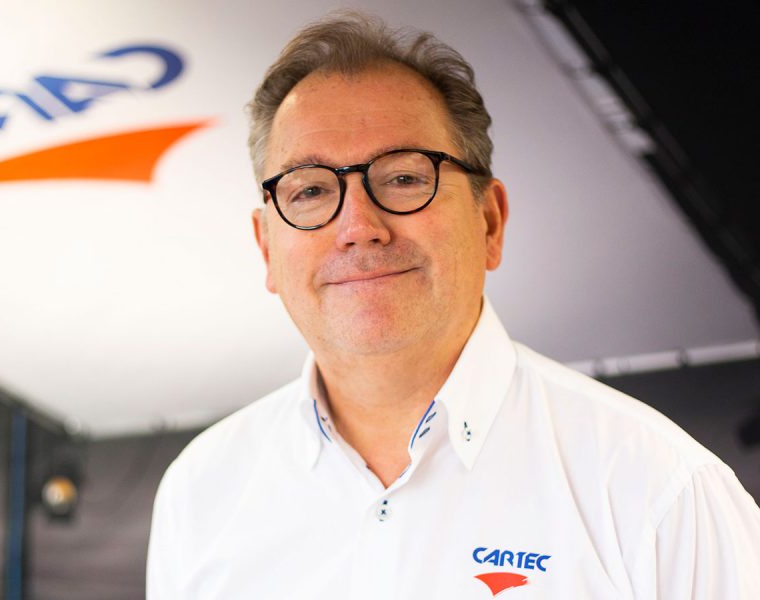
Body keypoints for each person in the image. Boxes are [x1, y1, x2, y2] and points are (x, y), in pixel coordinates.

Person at [147, 12, 760, 599]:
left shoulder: (659, 490)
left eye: (404, 178)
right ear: (266, 248)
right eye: (309, 190)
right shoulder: (201, 493)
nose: (358, 227)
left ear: (489, 221)